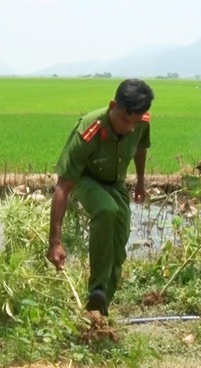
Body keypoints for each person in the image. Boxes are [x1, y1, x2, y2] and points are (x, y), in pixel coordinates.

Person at [47, 79, 154, 316]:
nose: (129, 128)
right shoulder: (89, 129)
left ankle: (100, 306)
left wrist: (140, 181)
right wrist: (54, 241)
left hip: (115, 183)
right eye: (124, 119)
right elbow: (63, 185)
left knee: (119, 242)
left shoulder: (141, 123)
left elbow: (140, 148)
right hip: (85, 180)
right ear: (113, 105)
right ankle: (96, 287)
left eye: (134, 122)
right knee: (106, 210)